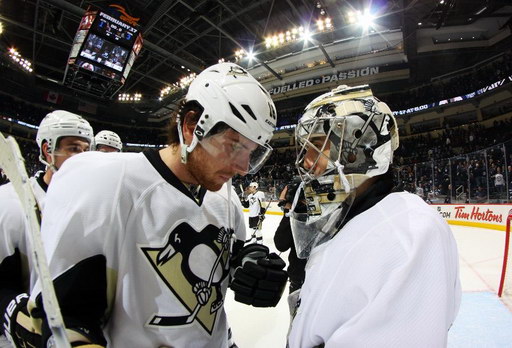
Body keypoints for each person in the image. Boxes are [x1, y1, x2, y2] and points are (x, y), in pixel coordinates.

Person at [26, 62, 287, 348]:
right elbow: (65, 318)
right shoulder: (106, 181)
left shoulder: (224, 194)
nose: (242, 167)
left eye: (251, 152)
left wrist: (249, 262)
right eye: (233, 145)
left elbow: (226, 255)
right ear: (191, 126)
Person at [287, 84, 461, 347]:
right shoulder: (347, 216)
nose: (306, 161)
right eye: (305, 148)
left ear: (359, 148)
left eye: (318, 146)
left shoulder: (410, 231)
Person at [0, 111, 94, 347]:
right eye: (73, 148)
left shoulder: (95, 203)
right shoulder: (11, 203)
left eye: (85, 150)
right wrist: (19, 319)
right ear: (46, 150)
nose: (82, 157)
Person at [274, 183, 307, 294]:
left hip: (300, 278)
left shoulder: (298, 218)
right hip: (307, 277)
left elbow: (281, 245)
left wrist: (288, 210)